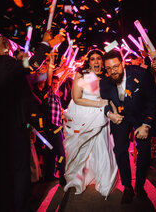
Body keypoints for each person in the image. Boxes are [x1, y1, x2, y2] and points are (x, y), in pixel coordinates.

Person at [0, 31, 64, 212]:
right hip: (14, 126)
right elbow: (32, 64)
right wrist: (45, 43)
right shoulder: (7, 64)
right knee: (20, 170)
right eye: (3, 43)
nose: (6, 44)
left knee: (2, 170)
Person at [100, 49, 156, 204]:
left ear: (123, 63)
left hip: (140, 115)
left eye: (116, 66)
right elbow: (104, 103)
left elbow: (153, 100)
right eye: (109, 68)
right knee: (119, 149)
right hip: (120, 118)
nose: (113, 71)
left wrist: (146, 124)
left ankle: (139, 185)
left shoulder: (141, 74)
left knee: (144, 150)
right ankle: (127, 186)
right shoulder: (104, 82)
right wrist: (109, 114)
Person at [63, 49, 119, 198]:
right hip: (83, 116)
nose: (96, 61)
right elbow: (76, 98)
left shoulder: (106, 77)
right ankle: (78, 178)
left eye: (98, 58)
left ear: (103, 61)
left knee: (102, 148)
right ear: (89, 61)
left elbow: (112, 98)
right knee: (81, 149)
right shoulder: (82, 75)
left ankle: (104, 181)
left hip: (101, 117)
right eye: (93, 59)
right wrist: (100, 104)